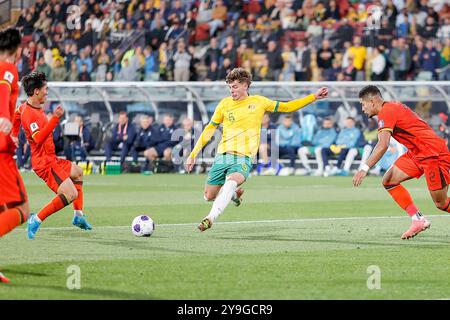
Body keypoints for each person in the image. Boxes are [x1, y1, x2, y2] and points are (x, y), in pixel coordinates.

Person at [185, 68, 328, 231]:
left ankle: (210, 218)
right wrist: (193, 154)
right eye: (230, 87)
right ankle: (232, 195)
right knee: (208, 196)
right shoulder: (224, 104)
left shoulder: (259, 102)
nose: (232, 90)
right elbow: (209, 129)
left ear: (245, 85)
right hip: (223, 156)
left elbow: (288, 107)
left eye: (236, 86)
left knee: (231, 181)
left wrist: (314, 97)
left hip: (244, 157)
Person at [353, 85, 450, 240]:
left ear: (372, 101)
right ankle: (418, 219)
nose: (362, 109)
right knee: (389, 180)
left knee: (441, 203)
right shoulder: (391, 107)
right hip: (417, 153)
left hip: (433, 154)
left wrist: (364, 168)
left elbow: (383, 145)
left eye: (363, 104)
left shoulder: (387, 111)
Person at [17, 72, 93, 240]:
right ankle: (35, 219)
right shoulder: (30, 114)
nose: (47, 92)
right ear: (36, 91)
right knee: (70, 194)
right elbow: (37, 139)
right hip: (44, 163)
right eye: (45, 89)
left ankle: (78, 215)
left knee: (78, 172)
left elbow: (16, 113)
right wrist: (55, 119)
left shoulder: (27, 107)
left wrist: (14, 135)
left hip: (51, 158)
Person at [0, 28, 30, 283]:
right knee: (22, 208)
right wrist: (6, 119)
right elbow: (4, 88)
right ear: (17, 50)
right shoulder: (8, 67)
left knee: (2, 208)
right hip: (1, 151)